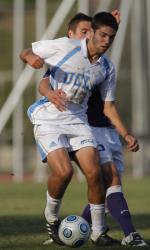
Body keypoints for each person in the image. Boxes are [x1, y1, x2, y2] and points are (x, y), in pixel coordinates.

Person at [20, 12, 147, 247]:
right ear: (90, 33)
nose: (106, 40)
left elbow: (108, 107)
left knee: (94, 173)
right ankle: (51, 218)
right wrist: (30, 58)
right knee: (65, 172)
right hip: (49, 119)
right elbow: (27, 52)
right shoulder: (66, 46)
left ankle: (98, 233)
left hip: (78, 122)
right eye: (102, 35)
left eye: (111, 36)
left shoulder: (106, 68)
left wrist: (126, 133)